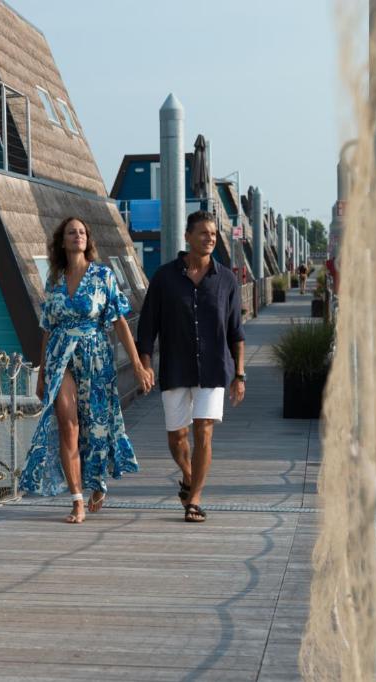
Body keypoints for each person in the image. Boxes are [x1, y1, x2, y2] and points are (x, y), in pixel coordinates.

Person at [19, 217, 154, 523]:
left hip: (95, 357)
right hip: (60, 358)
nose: (77, 236)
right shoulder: (54, 280)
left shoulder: (102, 276)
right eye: (71, 232)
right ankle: (77, 499)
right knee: (69, 425)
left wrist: (137, 364)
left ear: (87, 240)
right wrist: (42, 374)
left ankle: (97, 482)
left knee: (95, 428)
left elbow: (119, 321)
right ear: (62, 242)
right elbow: (47, 329)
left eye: (81, 232)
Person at [136, 210, 246, 523]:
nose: (210, 238)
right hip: (175, 366)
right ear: (188, 237)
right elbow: (147, 327)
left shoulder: (225, 279)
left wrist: (240, 375)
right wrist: (145, 365)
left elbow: (236, 332)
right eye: (203, 233)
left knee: (204, 432)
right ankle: (188, 474)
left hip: (213, 367)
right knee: (177, 436)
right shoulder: (164, 277)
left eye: (213, 234)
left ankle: (194, 499)